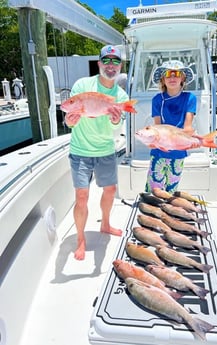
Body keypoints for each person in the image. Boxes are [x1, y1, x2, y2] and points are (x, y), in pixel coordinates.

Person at [64, 45, 128, 260]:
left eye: (115, 62)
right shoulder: (82, 85)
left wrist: (116, 119)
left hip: (105, 150)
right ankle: (80, 240)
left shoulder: (121, 95)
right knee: (82, 195)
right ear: (99, 63)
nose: (111, 66)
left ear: (120, 66)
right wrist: (68, 120)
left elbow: (115, 131)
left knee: (110, 190)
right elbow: (71, 119)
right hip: (81, 150)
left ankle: (106, 224)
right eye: (106, 61)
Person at [145, 60, 197, 193]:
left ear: (182, 78)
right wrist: (153, 141)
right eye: (168, 74)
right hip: (159, 151)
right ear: (163, 79)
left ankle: (168, 211)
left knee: (171, 190)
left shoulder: (190, 98)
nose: (172, 77)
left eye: (177, 74)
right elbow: (157, 128)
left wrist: (193, 140)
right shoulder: (157, 99)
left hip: (178, 151)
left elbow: (188, 128)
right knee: (154, 190)